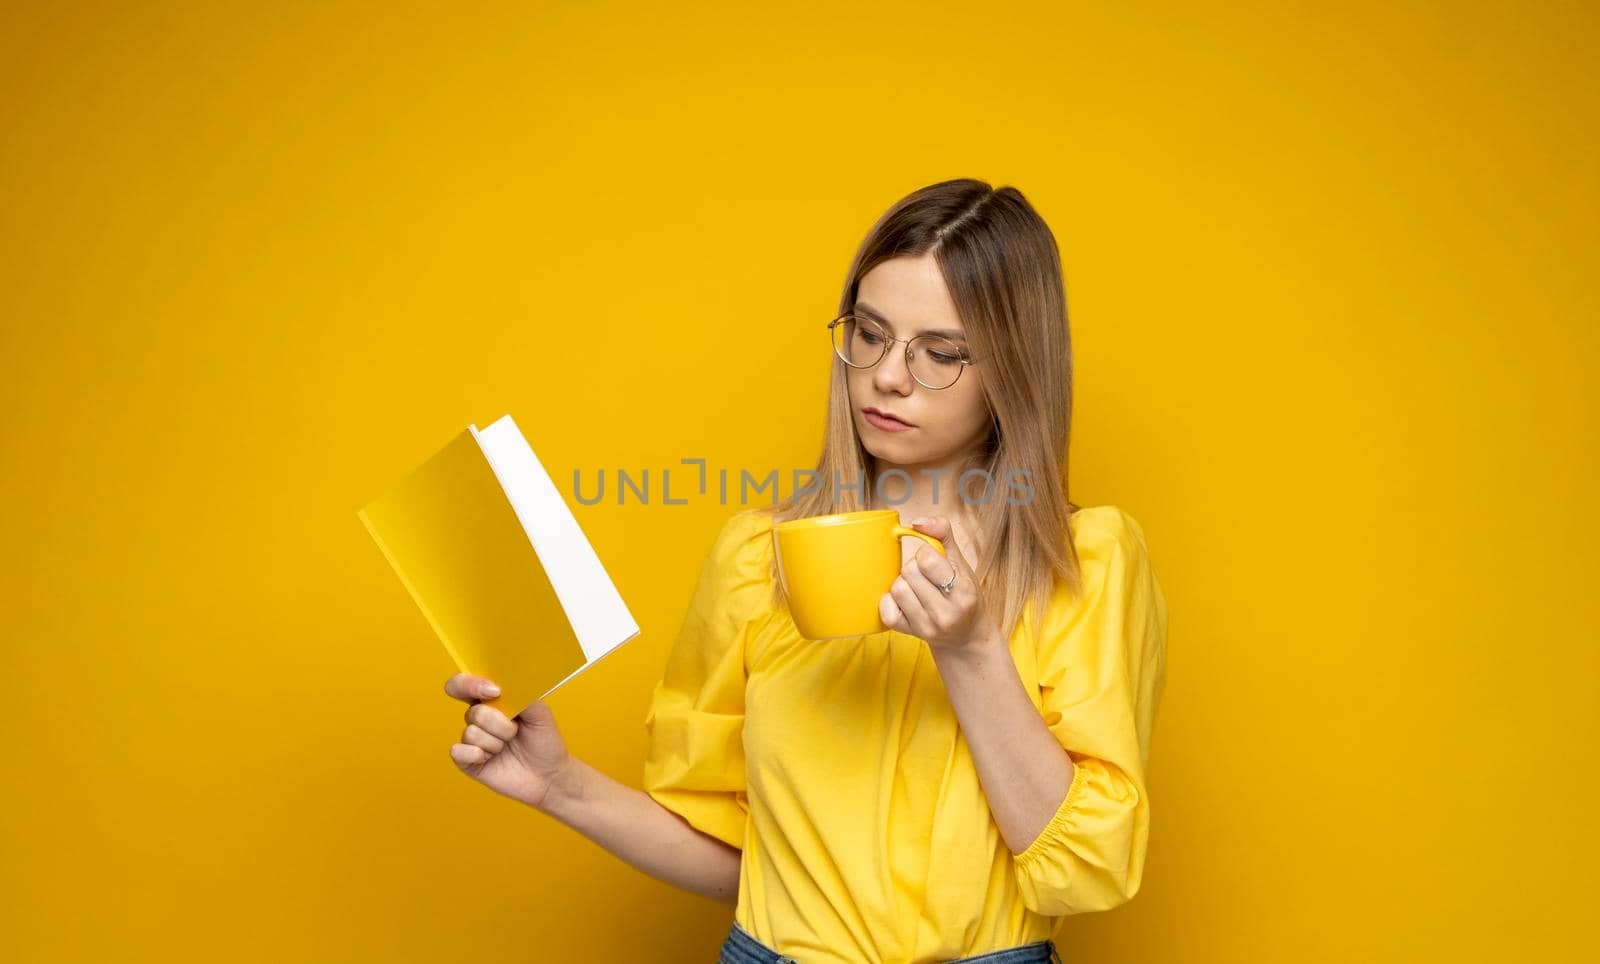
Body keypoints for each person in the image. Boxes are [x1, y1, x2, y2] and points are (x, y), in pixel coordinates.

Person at [443, 178, 1169, 963]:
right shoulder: (758, 556)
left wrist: (970, 650)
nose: (888, 375)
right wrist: (558, 785)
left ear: (1014, 372)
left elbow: (1085, 872)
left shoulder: (1086, 560)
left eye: (941, 354)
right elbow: (744, 860)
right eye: (870, 333)